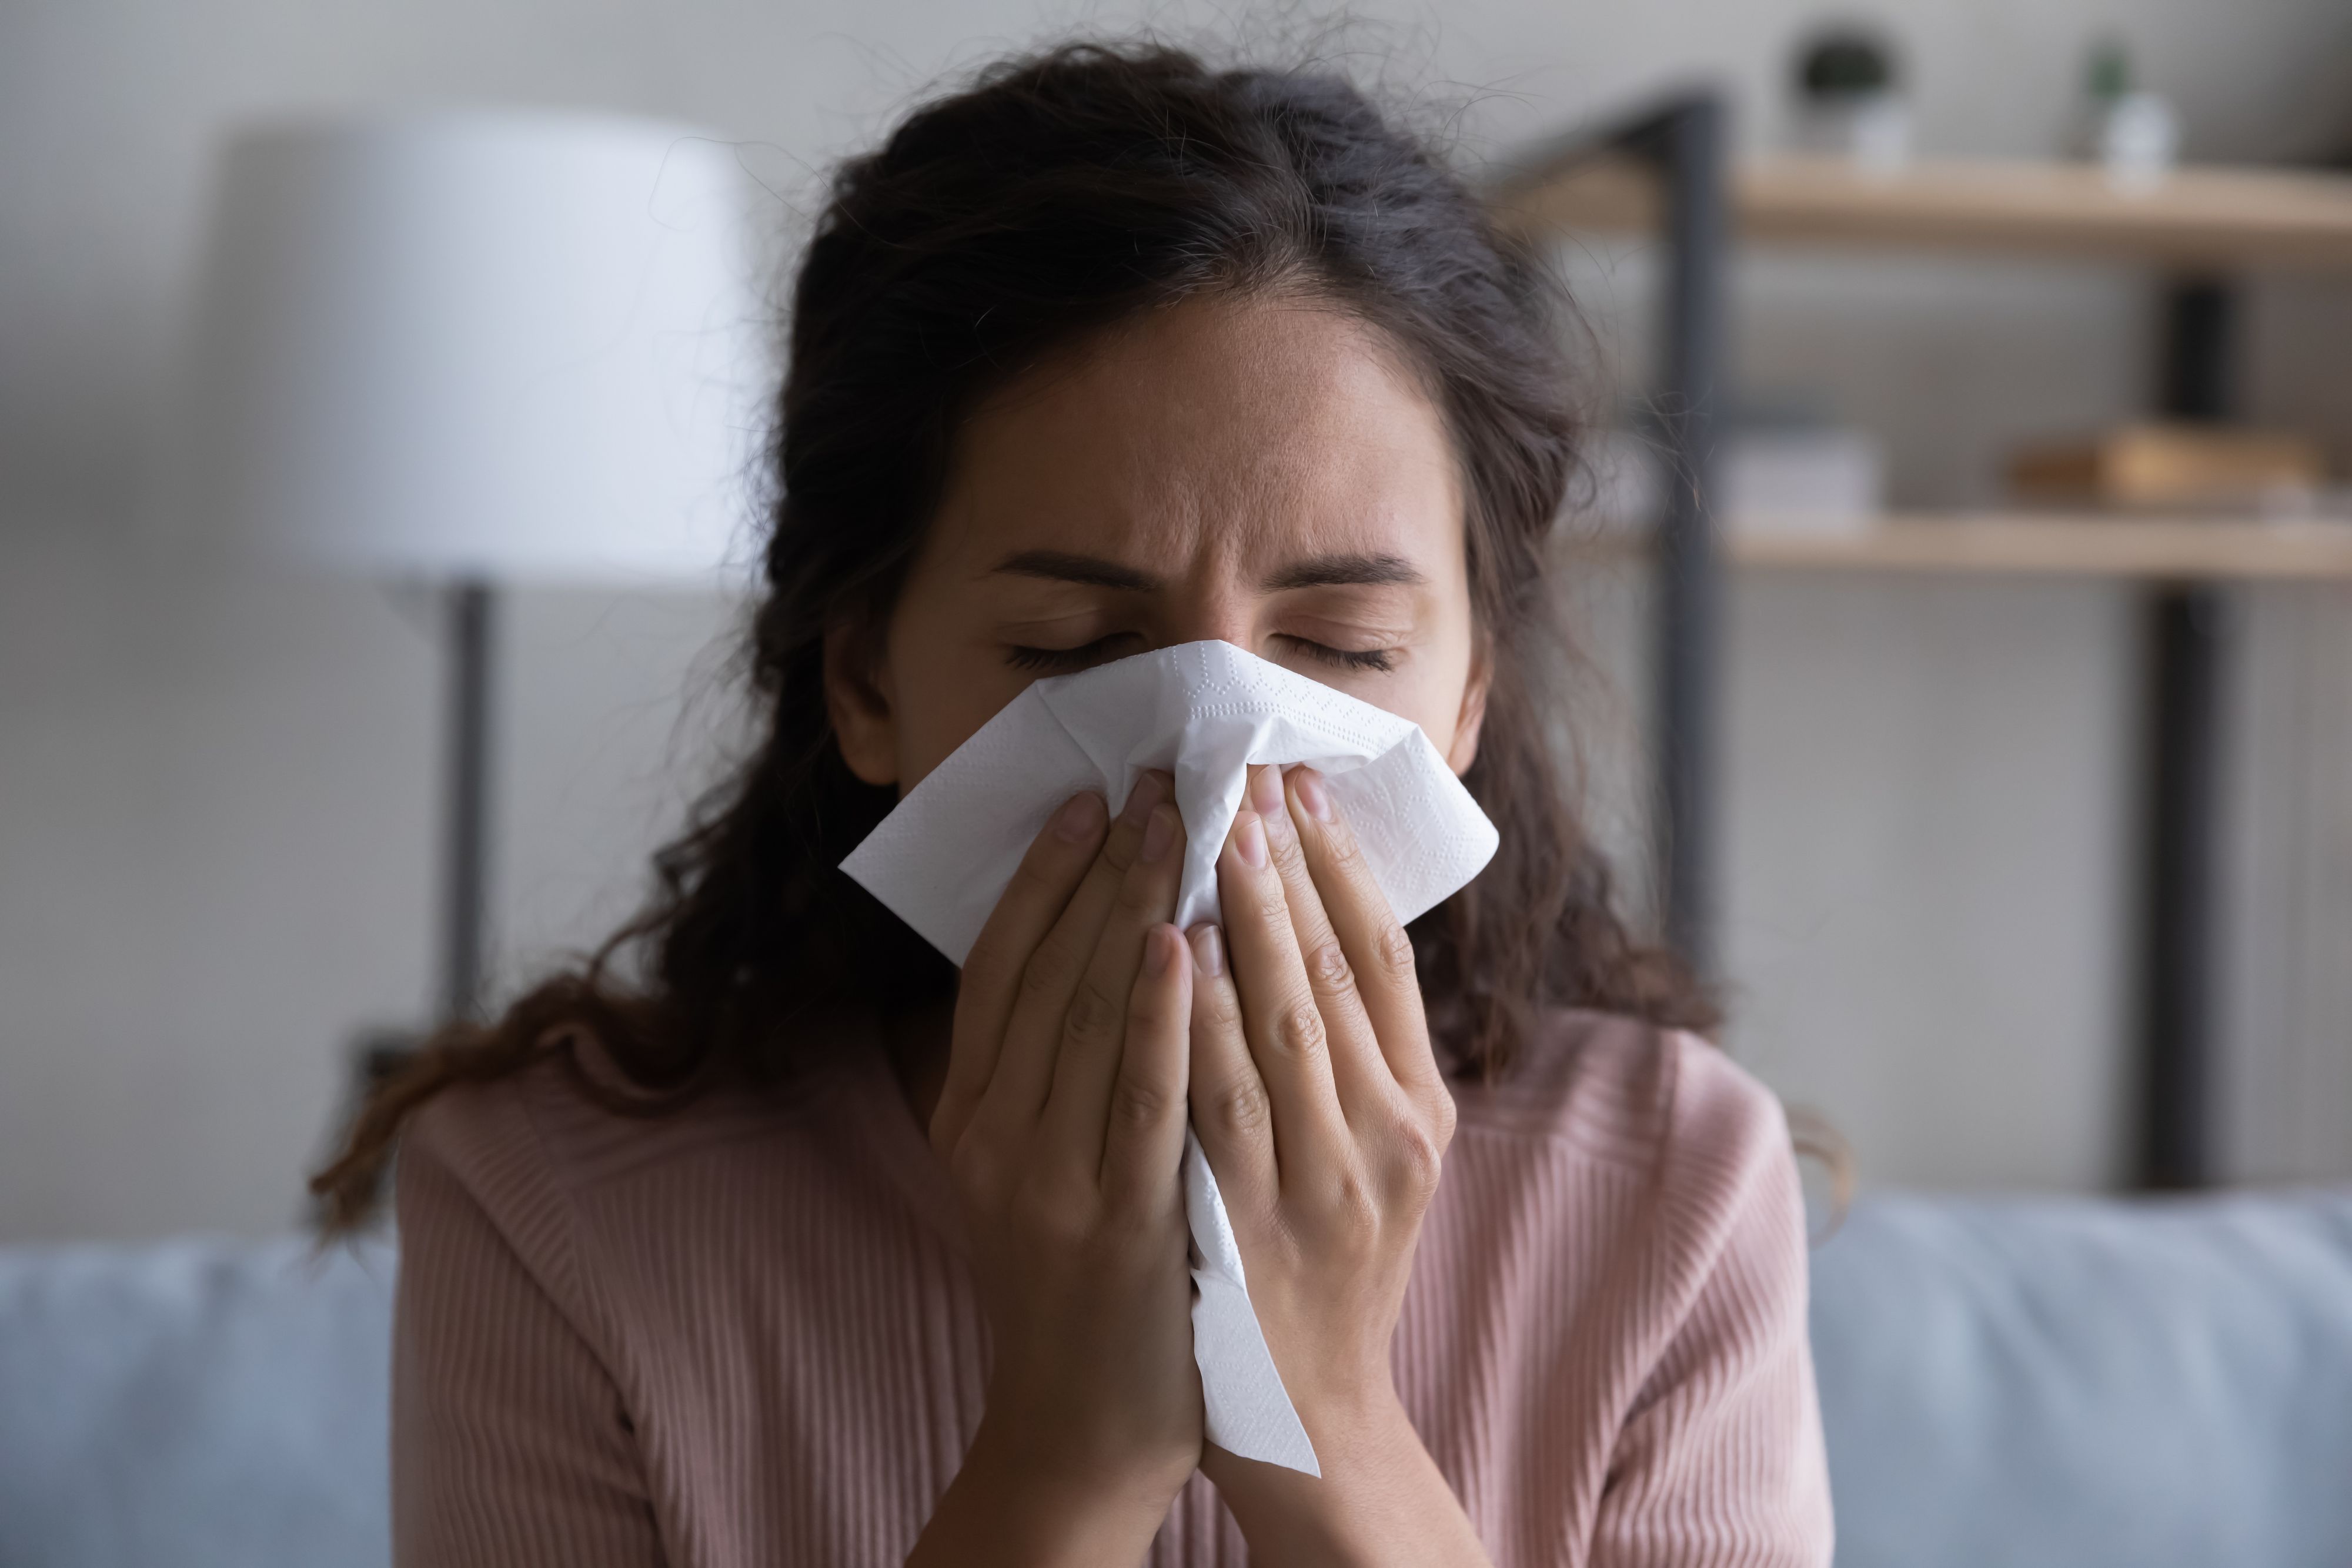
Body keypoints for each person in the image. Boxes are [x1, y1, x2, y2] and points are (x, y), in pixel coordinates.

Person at [314, 39, 1832, 1568]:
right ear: (867, 682)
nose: (1214, 749)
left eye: (1341, 647)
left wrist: (1320, 1417)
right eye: (1076, 649)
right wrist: (1065, 1457)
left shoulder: (1667, 1187)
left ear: (1466, 698)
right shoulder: (555, 1206)